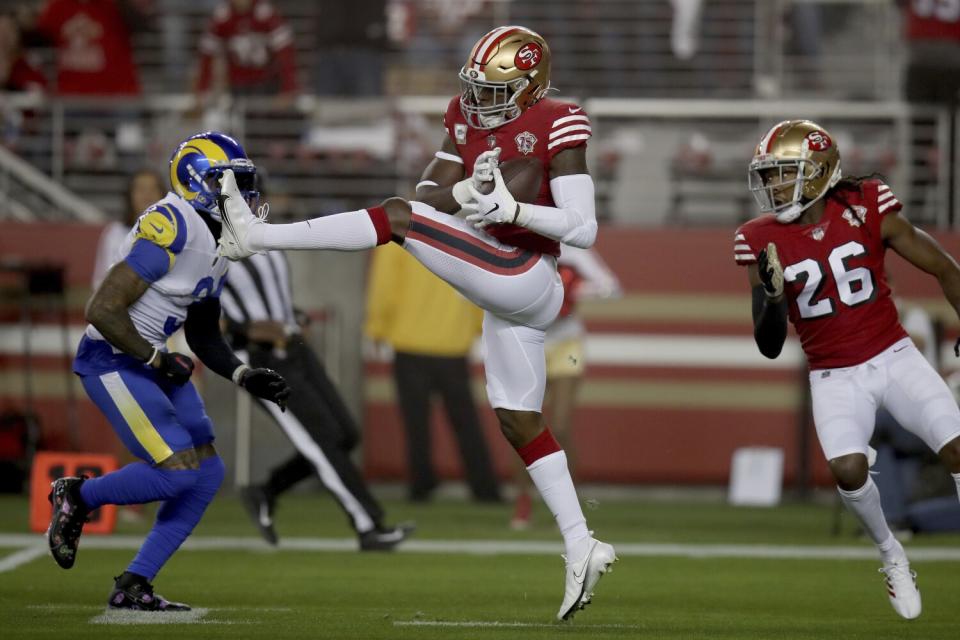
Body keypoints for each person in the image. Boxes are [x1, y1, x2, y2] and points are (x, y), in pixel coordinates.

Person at [217, 25, 618, 621]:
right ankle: (581, 543)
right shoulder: (465, 115)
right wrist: (469, 193)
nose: (479, 101)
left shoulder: (559, 119)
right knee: (517, 421)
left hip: (530, 272)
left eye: (495, 89)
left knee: (396, 220)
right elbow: (430, 188)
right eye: (476, 88)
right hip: (501, 283)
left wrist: (509, 208)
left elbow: (583, 228)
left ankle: (255, 236)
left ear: (531, 86)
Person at [46, 131, 290, 611]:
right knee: (178, 473)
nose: (244, 197)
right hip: (114, 359)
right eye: (233, 185)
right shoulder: (174, 223)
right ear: (200, 184)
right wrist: (157, 359)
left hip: (151, 359)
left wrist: (243, 375)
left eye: (246, 185)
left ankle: (135, 582)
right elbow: (103, 309)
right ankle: (78, 495)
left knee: (207, 472)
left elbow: (202, 332)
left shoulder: (220, 238)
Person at [734, 119, 960, 620]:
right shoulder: (757, 238)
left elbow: (944, 266)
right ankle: (891, 554)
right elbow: (769, 344)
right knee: (848, 468)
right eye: (768, 175)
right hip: (834, 374)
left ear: (817, 173)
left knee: (957, 446)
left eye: (782, 173)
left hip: (894, 355)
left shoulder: (865, 205)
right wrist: (771, 297)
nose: (771, 186)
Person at [220, 249, 414, 550]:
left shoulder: (260, 235)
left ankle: (266, 491)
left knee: (345, 434)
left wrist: (293, 315)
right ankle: (369, 527)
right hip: (258, 358)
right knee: (321, 440)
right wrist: (244, 328)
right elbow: (199, 313)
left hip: (294, 347)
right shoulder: (209, 247)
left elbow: (270, 293)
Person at [364, 242, 502, 503]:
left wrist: (377, 327)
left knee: (416, 423)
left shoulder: (396, 239)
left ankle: (421, 486)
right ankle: (485, 488)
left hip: (408, 343)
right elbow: (475, 286)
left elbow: (384, 287)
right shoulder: (459, 238)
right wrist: (475, 326)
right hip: (452, 345)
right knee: (466, 424)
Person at [511, 246, 620, 529]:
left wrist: (574, 288)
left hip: (567, 344)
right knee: (522, 424)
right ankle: (523, 500)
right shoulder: (519, 244)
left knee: (559, 425)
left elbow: (611, 287)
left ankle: (570, 504)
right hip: (527, 340)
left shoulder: (573, 251)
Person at [194, 0, 298, 105]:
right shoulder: (222, 16)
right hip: (237, 86)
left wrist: (288, 88)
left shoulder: (267, 13)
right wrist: (202, 89)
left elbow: (286, 53)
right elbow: (206, 54)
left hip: (266, 83)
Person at [92, 169, 166, 289]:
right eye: (141, 189)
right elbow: (100, 282)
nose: (147, 195)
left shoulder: (177, 235)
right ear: (130, 195)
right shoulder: (114, 233)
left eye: (153, 189)